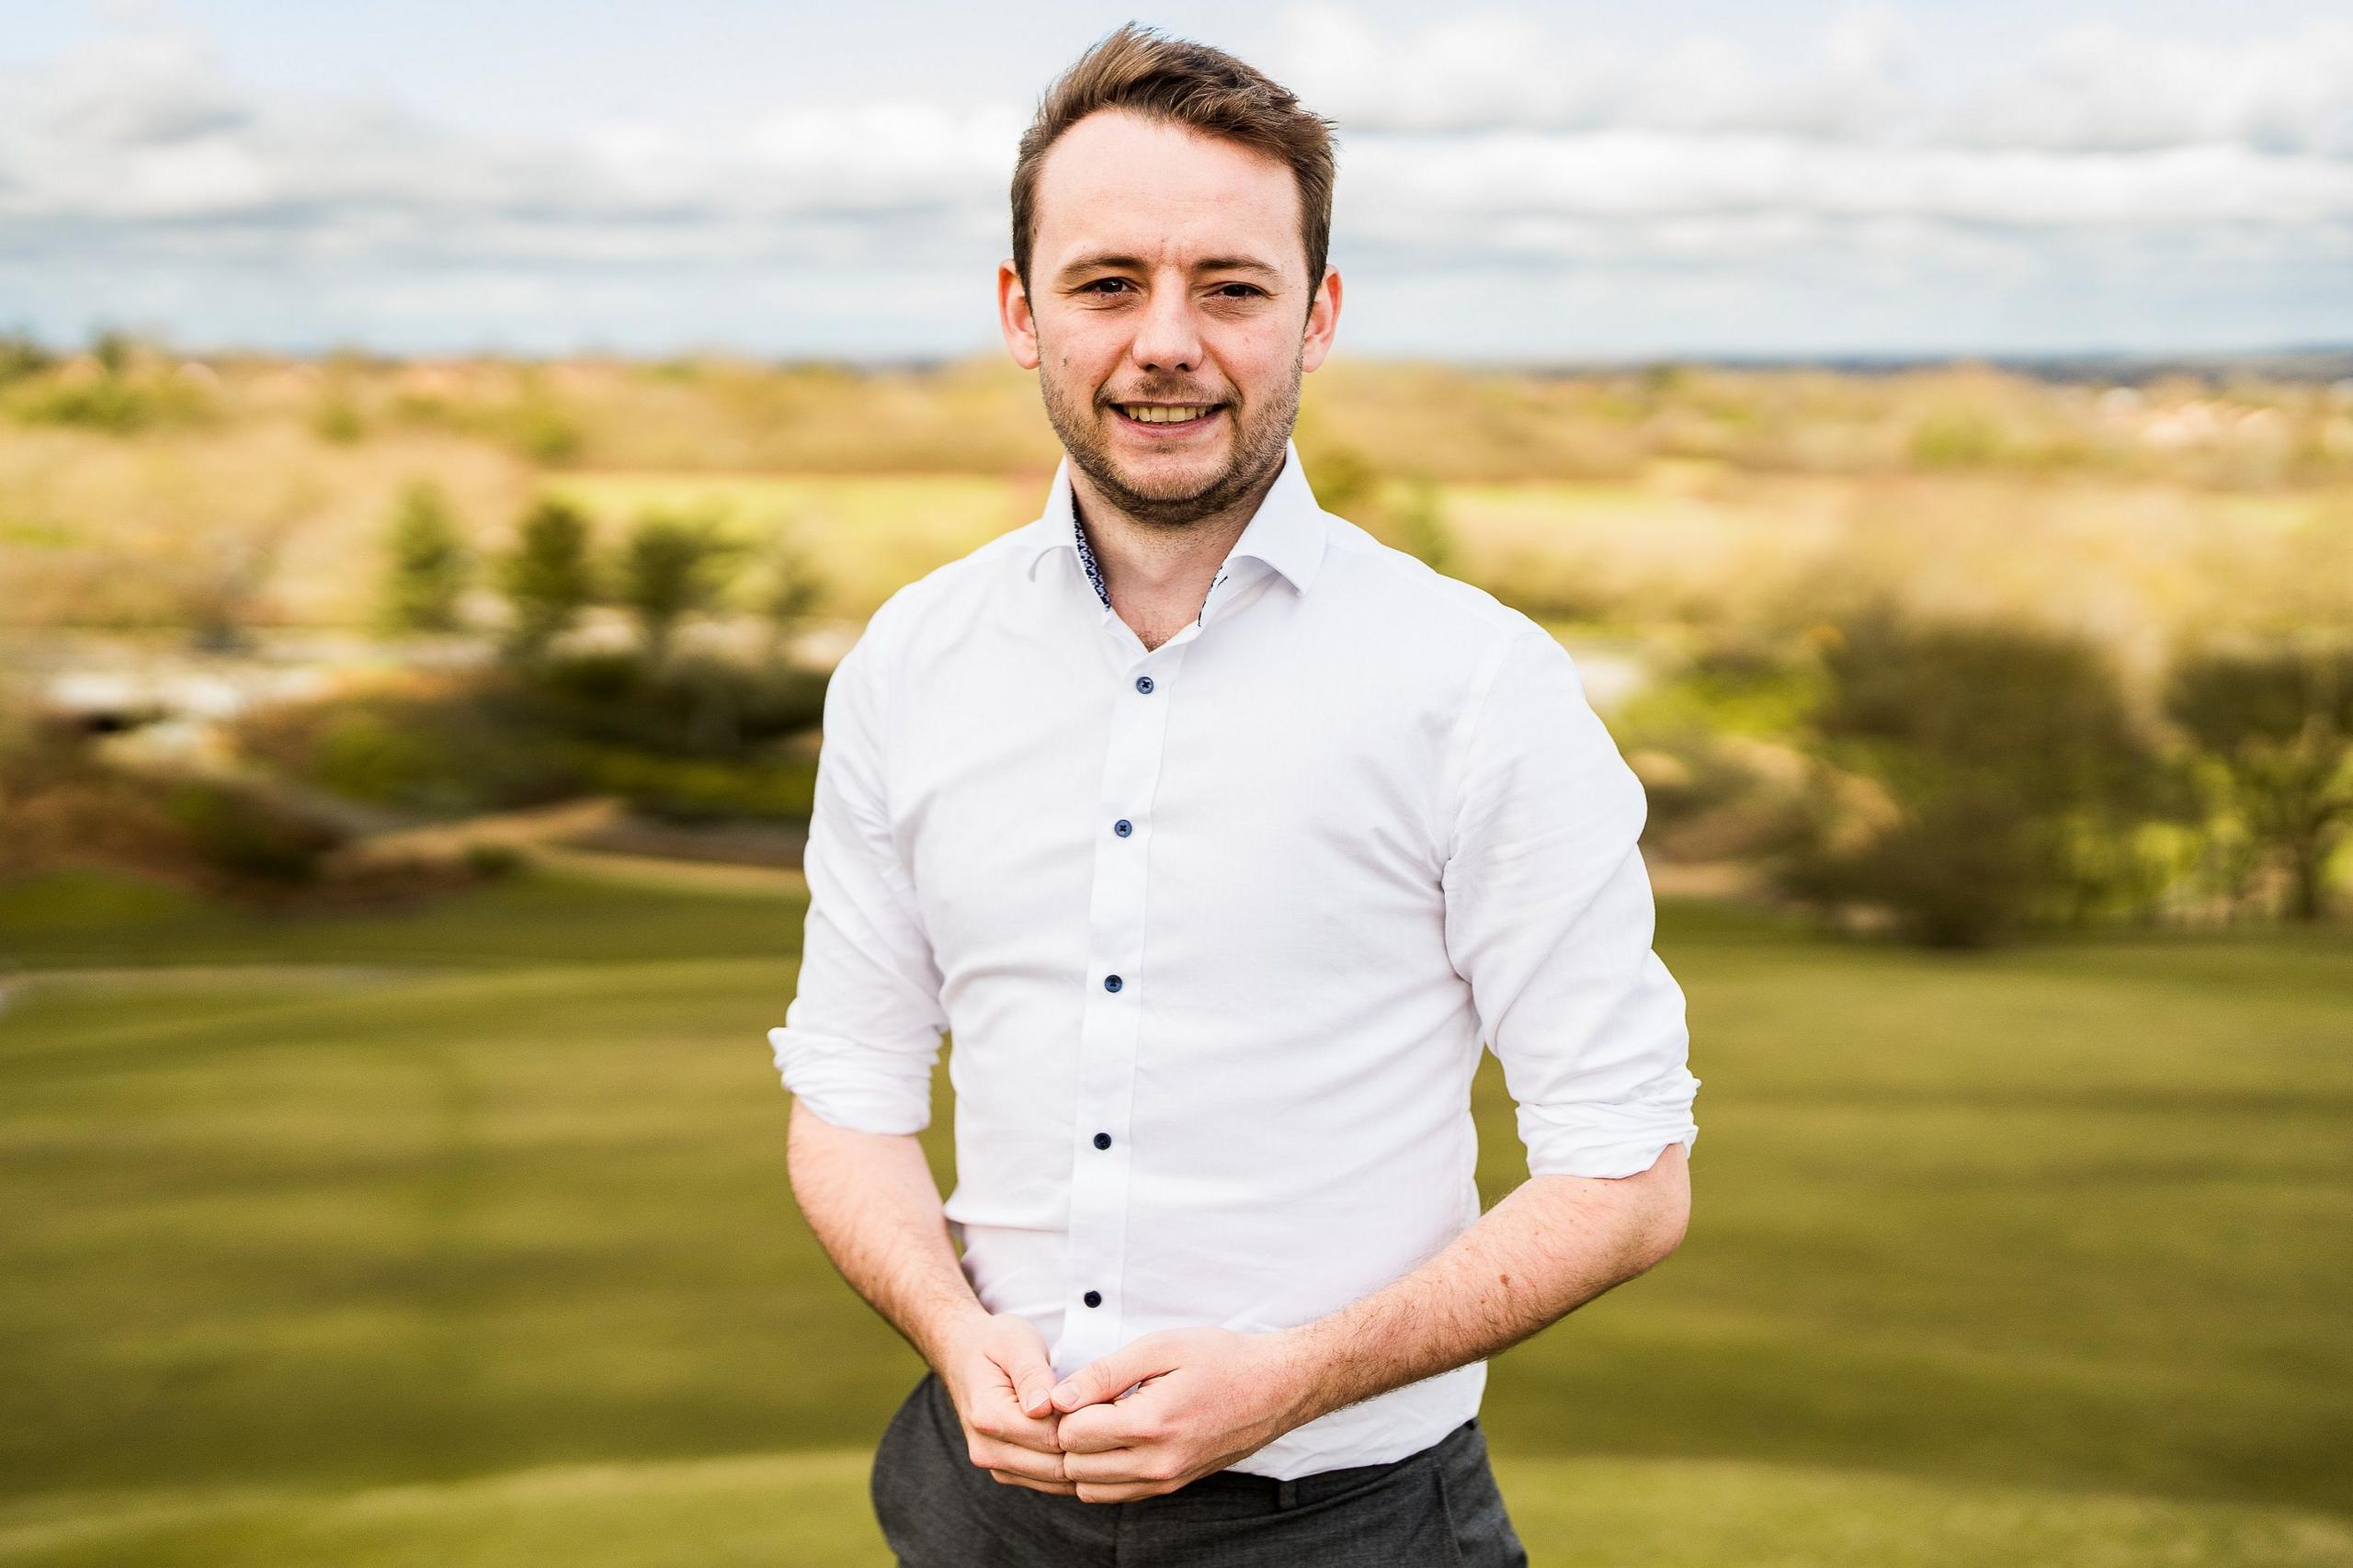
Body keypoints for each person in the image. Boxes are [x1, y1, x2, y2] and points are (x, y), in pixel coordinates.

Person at [768, 23, 1699, 1566]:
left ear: (1317, 316)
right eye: (1108, 281)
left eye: (1233, 286)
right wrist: (945, 1320)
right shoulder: (909, 663)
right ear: (1023, 311)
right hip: (974, 1509)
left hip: (1349, 1525)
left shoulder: (1477, 684)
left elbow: (1626, 1174)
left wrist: (1290, 1380)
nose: (1167, 341)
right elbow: (848, 1095)